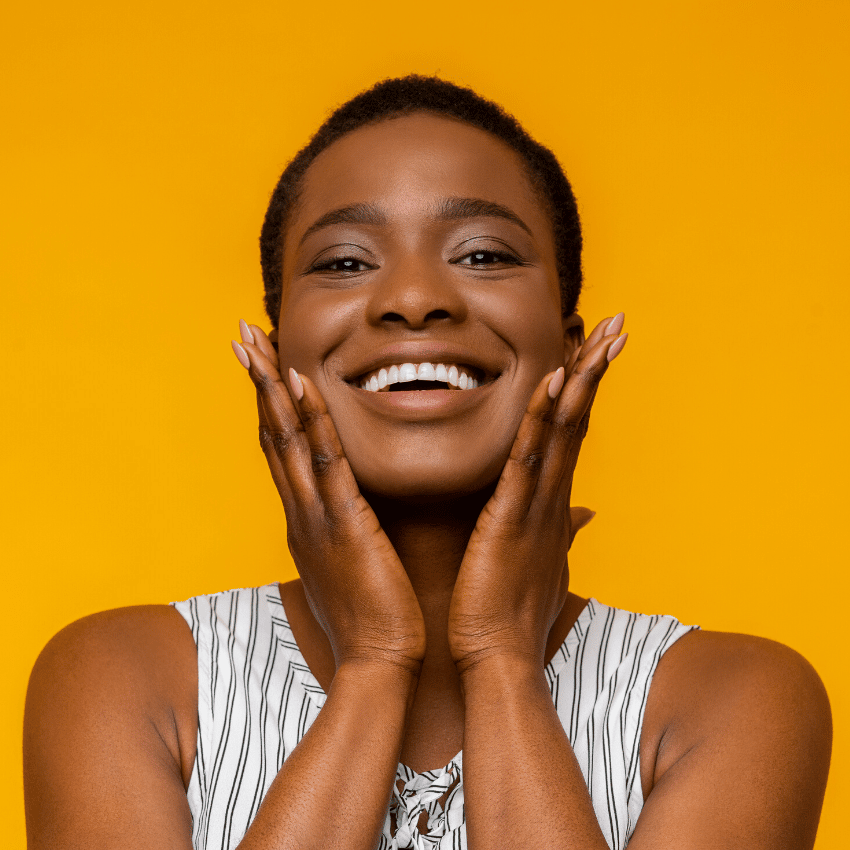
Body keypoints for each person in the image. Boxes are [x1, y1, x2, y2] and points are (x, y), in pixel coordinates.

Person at [23, 76, 832, 850]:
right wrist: (374, 662)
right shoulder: (124, 680)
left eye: (482, 255)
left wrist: (503, 658)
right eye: (344, 262)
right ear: (277, 356)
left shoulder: (733, 700)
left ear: (570, 345)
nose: (413, 298)